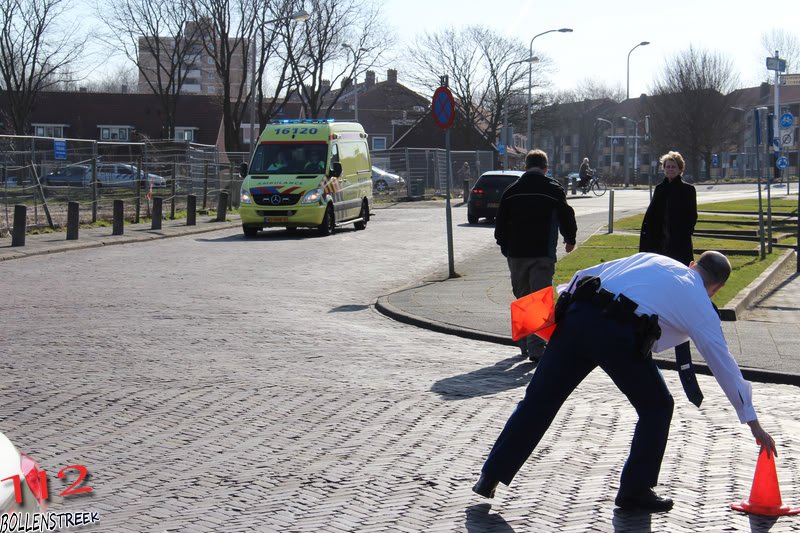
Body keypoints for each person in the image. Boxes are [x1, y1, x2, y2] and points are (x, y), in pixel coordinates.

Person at [472, 251, 777, 512]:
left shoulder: (653, 259)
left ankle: (491, 475)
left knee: (538, 400)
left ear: (692, 262)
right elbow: (722, 362)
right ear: (717, 288)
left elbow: (582, 275)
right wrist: (752, 420)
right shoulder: (699, 301)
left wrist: (561, 317)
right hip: (619, 336)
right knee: (657, 406)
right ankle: (635, 491)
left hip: (577, 319)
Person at [494, 149, 577, 361]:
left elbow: (500, 226)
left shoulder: (511, 191)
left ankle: (525, 344)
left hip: (517, 254)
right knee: (539, 300)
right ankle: (537, 349)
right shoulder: (553, 189)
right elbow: (567, 216)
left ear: (525, 166)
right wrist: (570, 239)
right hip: (542, 252)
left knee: (523, 297)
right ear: (545, 168)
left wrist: (506, 249)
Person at [639, 151, 699, 407]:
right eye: (666, 166)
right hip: (658, 246)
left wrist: (680, 233)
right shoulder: (660, 189)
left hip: (677, 246)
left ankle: (677, 326)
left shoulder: (687, 190)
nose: (670, 170)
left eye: (673, 166)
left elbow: (690, 218)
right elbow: (652, 218)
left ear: (680, 169)